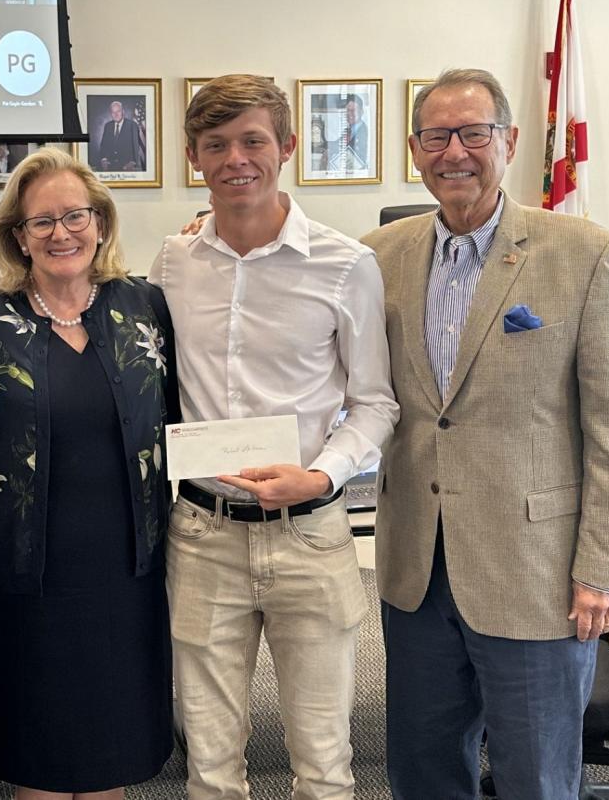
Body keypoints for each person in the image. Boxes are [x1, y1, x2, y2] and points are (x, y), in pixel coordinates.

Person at [360, 68, 609, 800]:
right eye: (435, 135)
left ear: (510, 142)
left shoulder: (584, 254)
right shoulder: (377, 258)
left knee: (537, 779)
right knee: (423, 774)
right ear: (414, 149)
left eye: (473, 132)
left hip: (538, 574)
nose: (454, 150)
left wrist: (603, 571)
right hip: (415, 570)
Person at [150, 74, 399, 800]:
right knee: (211, 767)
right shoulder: (171, 264)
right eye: (216, 144)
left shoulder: (346, 265)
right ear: (194, 157)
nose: (237, 159)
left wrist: (322, 476)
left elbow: (375, 403)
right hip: (203, 535)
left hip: (310, 534)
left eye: (254, 140)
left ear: (287, 146)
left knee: (323, 764)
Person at [0, 148, 176, 799]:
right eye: (42, 221)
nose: (62, 233)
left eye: (75, 215)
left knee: (109, 751)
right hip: (26, 573)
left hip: (125, 568)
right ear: (18, 237)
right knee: (44, 756)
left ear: (101, 222)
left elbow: (178, 415)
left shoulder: (143, 306)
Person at [95, 101, 142, 171]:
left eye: (118, 111)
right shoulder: (108, 126)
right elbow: (103, 145)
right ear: (111, 113)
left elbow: (136, 146)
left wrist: (133, 162)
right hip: (110, 165)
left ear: (123, 111)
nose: (116, 114)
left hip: (127, 165)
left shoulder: (132, 125)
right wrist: (104, 159)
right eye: (113, 112)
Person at [341, 94, 368, 167]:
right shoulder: (347, 131)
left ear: (362, 112)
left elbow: (362, 160)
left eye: (353, 110)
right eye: (347, 110)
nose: (349, 114)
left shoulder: (365, 132)